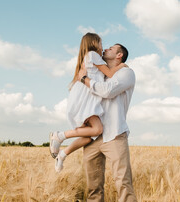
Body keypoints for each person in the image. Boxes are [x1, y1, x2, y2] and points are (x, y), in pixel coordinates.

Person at [77, 43, 140, 202]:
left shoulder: (126, 74)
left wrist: (85, 80)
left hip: (115, 135)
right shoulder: (100, 74)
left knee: (123, 184)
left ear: (119, 55)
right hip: (94, 137)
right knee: (94, 186)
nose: (106, 50)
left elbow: (108, 91)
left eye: (111, 49)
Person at [49, 33, 126, 172]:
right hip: (86, 99)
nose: (103, 48)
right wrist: (123, 66)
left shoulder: (90, 57)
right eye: (101, 44)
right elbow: (110, 74)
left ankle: (62, 155)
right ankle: (59, 135)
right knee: (97, 130)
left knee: (88, 138)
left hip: (86, 97)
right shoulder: (93, 54)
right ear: (94, 43)